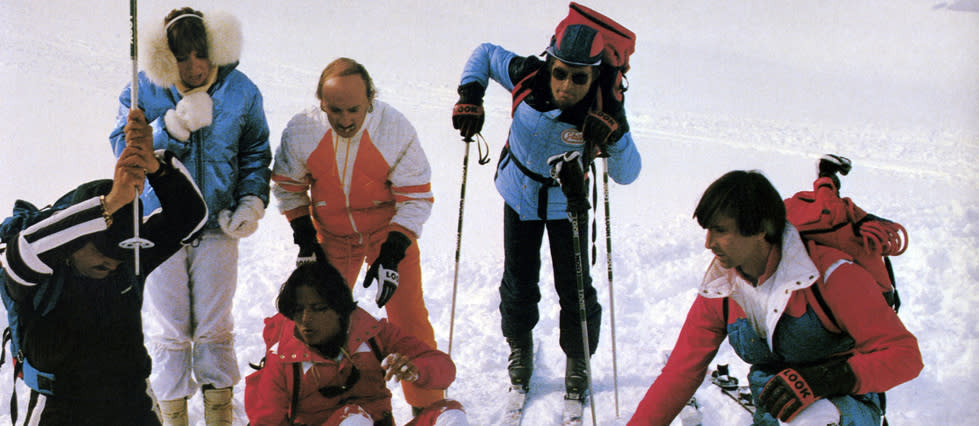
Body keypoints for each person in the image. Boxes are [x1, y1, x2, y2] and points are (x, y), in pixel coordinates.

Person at [629, 171, 923, 425]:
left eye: (720, 231)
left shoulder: (832, 275)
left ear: (761, 229)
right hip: (774, 415)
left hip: (844, 409)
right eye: (708, 231)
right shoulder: (724, 288)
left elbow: (906, 356)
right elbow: (681, 372)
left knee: (811, 420)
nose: (709, 243)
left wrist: (825, 379)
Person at [451, 21, 642, 398]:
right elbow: (486, 52)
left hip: (567, 205)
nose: (566, 86)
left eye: (579, 78)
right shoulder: (528, 76)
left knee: (574, 288)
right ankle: (519, 346)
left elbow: (627, 174)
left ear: (594, 76)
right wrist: (471, 93)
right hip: (518, 196)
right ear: (549, 64)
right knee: (518, 281)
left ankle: (579, 357)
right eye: (560, 73)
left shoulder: (604, 107)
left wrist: (616, 134)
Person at [108, 7, 272, 424]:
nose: (195, 66)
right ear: (166, 58)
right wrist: (170, 127)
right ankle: (174, 416)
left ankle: (219, 415)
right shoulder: (142, 90)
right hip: (161, 226)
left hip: (218, 226)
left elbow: (255, 151)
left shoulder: (241, 90)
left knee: (216, 327)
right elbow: (121, 148)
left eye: (202, 54)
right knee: (171, 330)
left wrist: (251, 201)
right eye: (182, 57)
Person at [1, 109, 207, 425]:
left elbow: (191, 217)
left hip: (130, 402)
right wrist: (108, 205)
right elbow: (19, 255)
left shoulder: (128, 261)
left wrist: (155, 165)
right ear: (72, 241)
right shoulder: (42, 272)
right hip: (59, 409)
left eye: (121, 249)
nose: (111, 259)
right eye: (101, 246)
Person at [272, 57, 441, 414]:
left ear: (370, 102)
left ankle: (427, 407)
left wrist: (393, 252)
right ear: (321, 102)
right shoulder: (303, 130)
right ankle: (310, 401)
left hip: (388, 231)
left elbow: (415, 196)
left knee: (408, 316)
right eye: (335, 110)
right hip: (331, 234)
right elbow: (288, 186)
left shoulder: (393, 129)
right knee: (315, 317)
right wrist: (306, 239)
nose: (346, 120)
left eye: (354, 110)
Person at [246, 262, 468, 426]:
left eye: (318, 308)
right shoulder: (282, 359)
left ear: (340, 309)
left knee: (450, 415)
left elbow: (445, 369)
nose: (305, 320)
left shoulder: (374, 335)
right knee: (354, 420)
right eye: (298, 310)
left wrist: (416, 369)